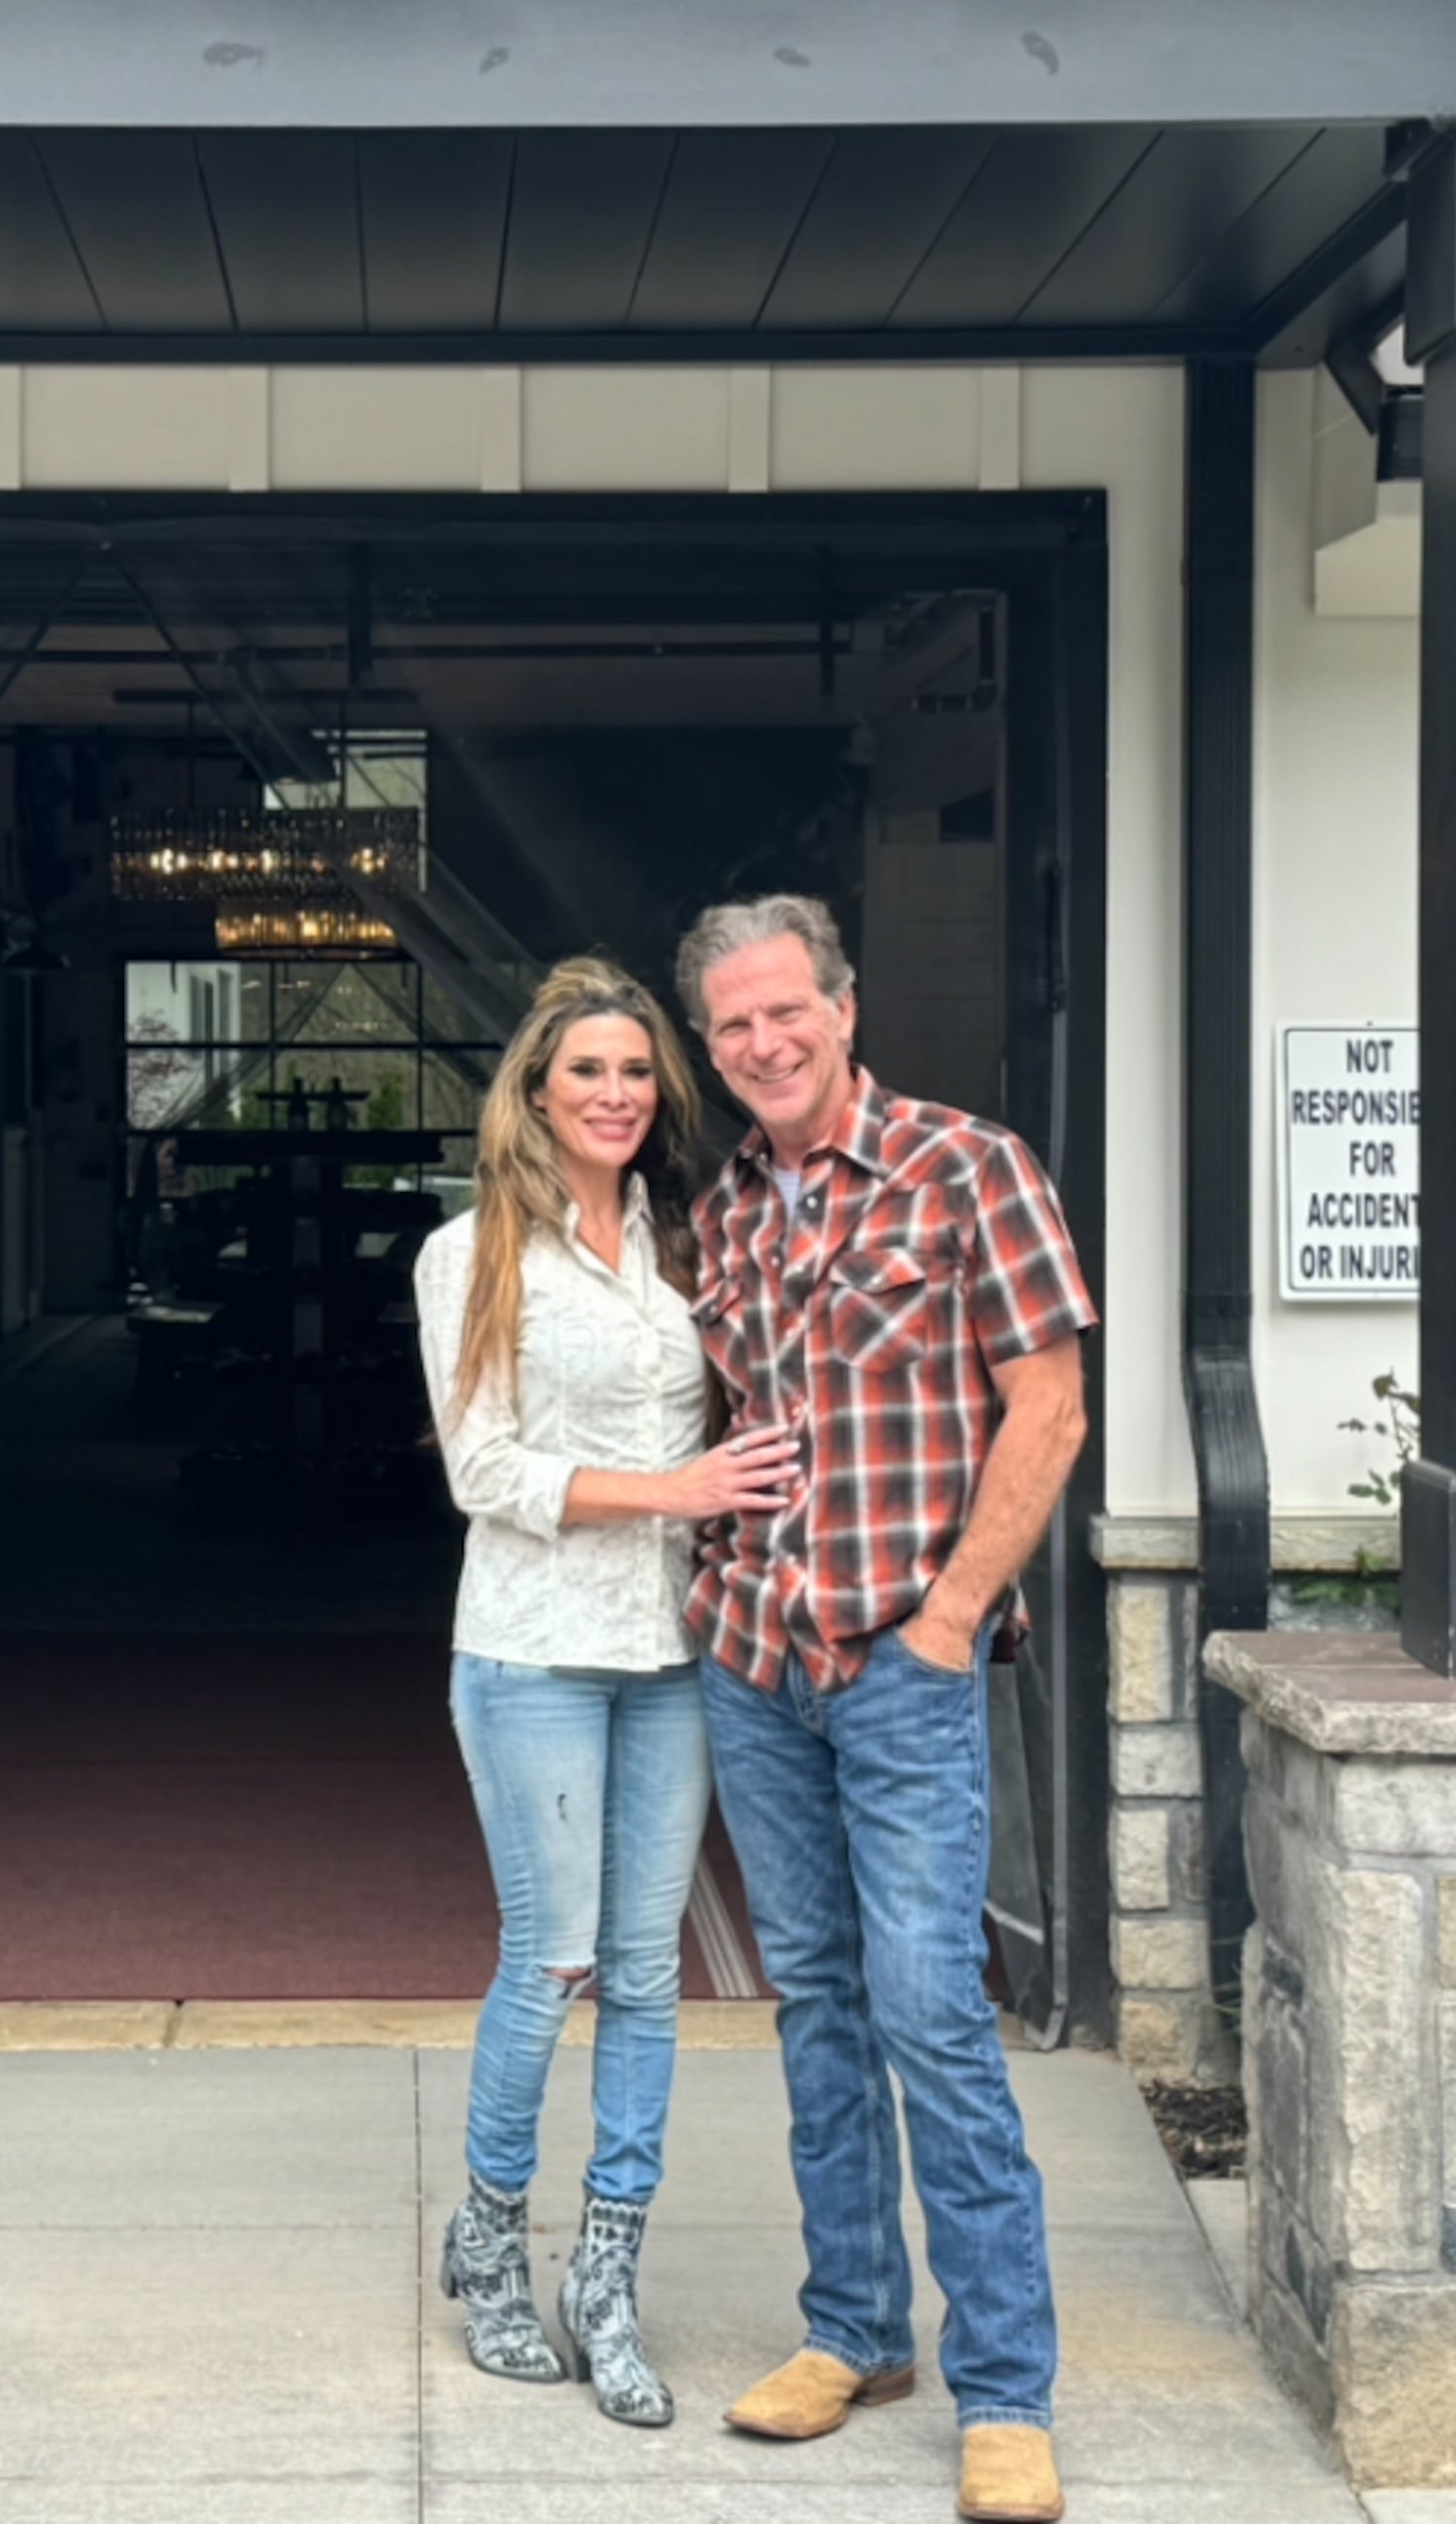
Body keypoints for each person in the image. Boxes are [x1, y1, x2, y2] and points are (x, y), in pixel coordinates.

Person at [674, 893, 1093, 2524]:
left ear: (846, 1006)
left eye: (788, 1010)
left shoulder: (967, 1167)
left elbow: (1047, 1405)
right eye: (734, 1027)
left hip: (904, 1664)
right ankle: (854, 2330)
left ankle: (1009, 2385)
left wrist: (948, 1620)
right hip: (759, 1657)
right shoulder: (727, 1209)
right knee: (819, 2003)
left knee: (931, 2008)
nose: (766, 1043)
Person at [411, 955, 801, 2429]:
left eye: (638, 1072)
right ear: (535, 1089)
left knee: (653, 1975)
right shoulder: (472, 1254)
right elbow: (484, 1470)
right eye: (589, 1070)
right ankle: (494, 2239)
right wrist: (675, 1486)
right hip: (532, 1649)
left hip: (673, 1650)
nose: (618, 1093)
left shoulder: (687, 1247)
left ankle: (608, 2276)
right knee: (556, 1956)